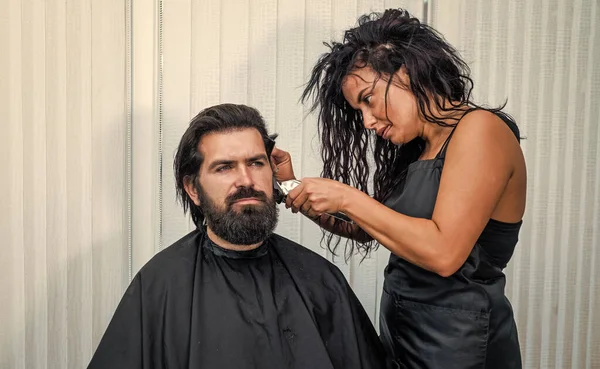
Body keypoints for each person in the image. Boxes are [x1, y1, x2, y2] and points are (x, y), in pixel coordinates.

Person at [271, 8, 526, 369]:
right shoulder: (418, 151)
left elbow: (443, 253)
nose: (367, 121)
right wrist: (291, 186)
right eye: (358, 111)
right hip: (404, 336)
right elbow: (364, 228)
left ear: (405, 69)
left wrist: (347, 196)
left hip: (460, 348)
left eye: (368, 100)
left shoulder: (481, 130)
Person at [87, 103, 392, 369]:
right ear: (193, 189)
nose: (246, 180)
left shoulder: (320, 280)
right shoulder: (159, 287)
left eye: (256, 163)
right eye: (225, 168)